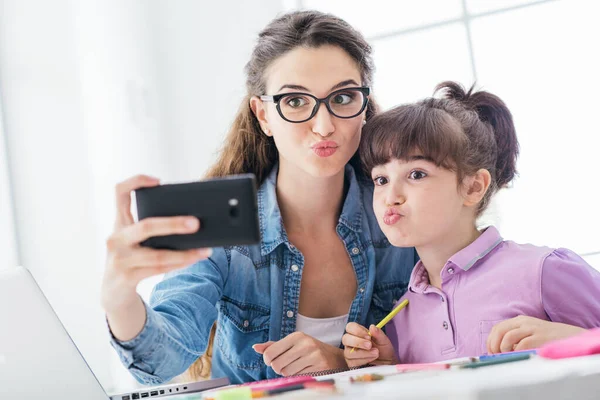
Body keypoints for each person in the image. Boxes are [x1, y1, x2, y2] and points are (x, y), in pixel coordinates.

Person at [101, 10, 417, 384]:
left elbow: (454, 335)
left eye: (344, 96)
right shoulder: (224, 233)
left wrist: (345, 363)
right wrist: (119, 296)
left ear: (364, 105)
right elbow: (162, 362)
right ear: (263, 114)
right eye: (296, 101)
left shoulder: (404, 210)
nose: (324, 125)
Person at [342, 81, 600, 366]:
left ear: (474, 187)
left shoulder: (545, 270)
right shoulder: (400, 316)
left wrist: (569, 340)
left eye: (416, 174)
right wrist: (389, 366)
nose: (391, 196)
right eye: (381, 179)